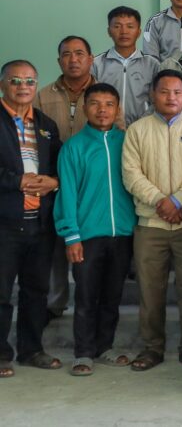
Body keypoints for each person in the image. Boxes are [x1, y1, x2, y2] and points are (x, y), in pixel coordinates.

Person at [121, 69, 182, 371]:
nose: (171, 97)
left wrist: (177, 200)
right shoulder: (137, 130)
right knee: (151, 290)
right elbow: (131, 174)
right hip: (150, 225)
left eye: (177, 92)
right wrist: (160, 201)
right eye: (164, 91)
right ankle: (152, 348)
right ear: (153, 94)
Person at [36, 35, 123, 319]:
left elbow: (116, 136)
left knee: (87, 256)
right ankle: (55, 304)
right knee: (54, 250)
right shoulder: (42, 95)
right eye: (66, 54)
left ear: (90, 58)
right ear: (59, 60)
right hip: (50, 182)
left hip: (91, 186)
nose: (73, 59)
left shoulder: (104, 95)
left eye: (79, 54)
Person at [54, 83, 136, 376]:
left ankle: (105, 348)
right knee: (86, 297)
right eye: (96, 104)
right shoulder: (74, 147)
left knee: (112, 296)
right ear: (85, 108)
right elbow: (68, 194)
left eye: (109, 104)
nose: (103, 110)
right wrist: (71, 235)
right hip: (87, 236)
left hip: (123, 235)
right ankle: (83, 352)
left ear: (117, 109)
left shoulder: (128, 142)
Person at [0, 60, 62, 378]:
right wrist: (18, 181)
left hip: (39, 221)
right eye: (15, 81)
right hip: (5, 223)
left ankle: (31, 350)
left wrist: (54, 181)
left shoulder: (45, 124)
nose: (23, 87)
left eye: (29, 81)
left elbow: (59, 164)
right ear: (3, 84)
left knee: (35, 290)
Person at [91, 6, 161, 125]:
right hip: (106, 129)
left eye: (130, 26)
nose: (124, 32)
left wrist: (141, 125)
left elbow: (157, 100)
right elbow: (91, 100)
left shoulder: (152, 64)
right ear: (109, 31)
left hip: (143, 129)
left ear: (138, 32)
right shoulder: (97, 64)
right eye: (117, 26)